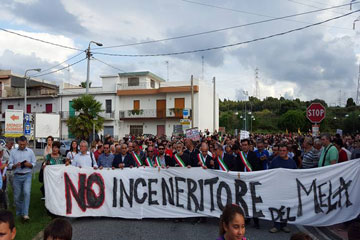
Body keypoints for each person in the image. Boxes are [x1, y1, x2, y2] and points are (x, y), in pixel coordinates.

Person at [269, 144, 296, 233]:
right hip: (276, 188)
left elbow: (296, 174)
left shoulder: (292, 162)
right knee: (277, 206)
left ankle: (284, 225)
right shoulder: (274, 161)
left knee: (285, 207)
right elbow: (269, 173)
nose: (282, 152)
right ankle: (276, 225)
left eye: (284, 150)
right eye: (280, 150)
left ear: (287, 151)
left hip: (287, 188)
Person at [8, 135, 36, 221]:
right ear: (18, 143)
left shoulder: (30, 152)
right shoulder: (13, 152)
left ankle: (25, 214)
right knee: (17, 196)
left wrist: (30, 165)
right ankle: (19, 212)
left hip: (27, 175)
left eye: (24, 144)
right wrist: (15, 165)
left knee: (27, 193)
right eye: (21, 144)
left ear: (26, 143)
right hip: (17, 176)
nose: (22, 146)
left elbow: (34, 163)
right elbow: (9, 164)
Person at [236, 139, 262, 229]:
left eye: (246, 145)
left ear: (249, 145)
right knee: (244, 200)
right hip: (242, 181)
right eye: (242, 145)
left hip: (251, 181)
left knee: (253, 201)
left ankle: (256, 221)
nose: (244, 146)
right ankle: (246, 219)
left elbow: (257, 167)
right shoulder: (239, 156)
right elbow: (236, 168)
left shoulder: (253, 155)